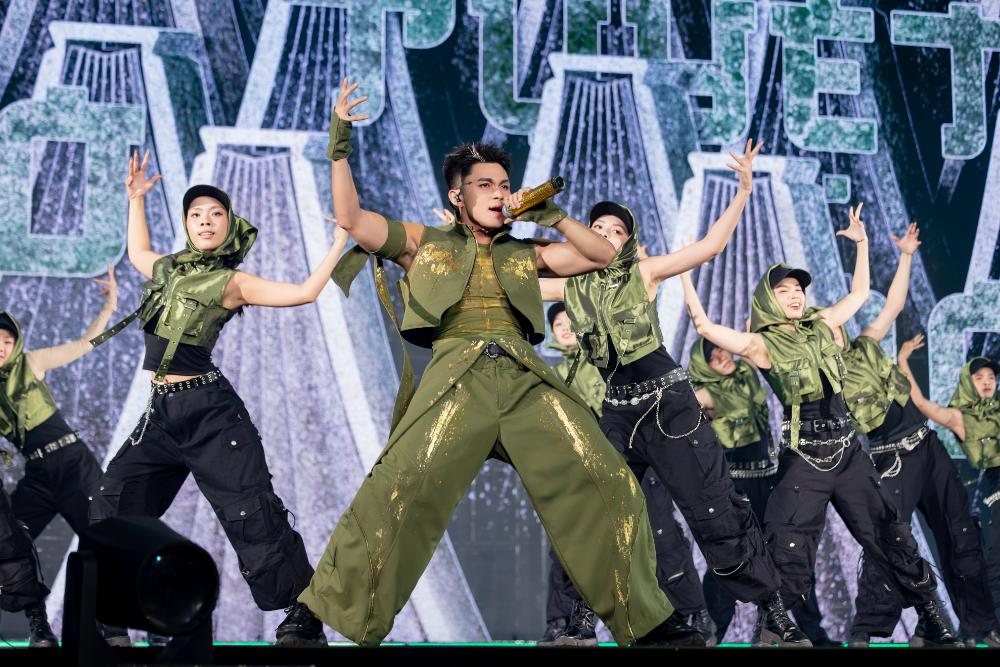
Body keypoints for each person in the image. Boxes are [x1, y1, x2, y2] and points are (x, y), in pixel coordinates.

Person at [300, 78, 702, 647]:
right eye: (484, 185)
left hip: (523, 380)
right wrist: (339, 141)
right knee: (397, 488)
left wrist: (553, 214)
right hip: (454, 380)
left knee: (607, 478)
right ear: (457, 197)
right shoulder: (424, 242)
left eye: (505, 185)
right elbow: (351, 217)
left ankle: (647, 622)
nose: (498, 193)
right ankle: (315, 614)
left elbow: (603, 256)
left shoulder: (526, 252)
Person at [541, 140, 811, 646]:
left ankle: (774, 614)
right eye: (596, 228)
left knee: (715, 513)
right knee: (596, 512)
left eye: (615, 230)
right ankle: (579, 621)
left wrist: (743, 192)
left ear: (628, 243)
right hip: (616, 414)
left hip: (668, 407)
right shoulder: (568, 287)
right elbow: (504, 279)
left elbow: (710, 247)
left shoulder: (643, 272)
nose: (604, 234)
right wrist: (470, 236)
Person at [87, 150, 350, 646]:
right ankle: (115, 617)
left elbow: (304, 292)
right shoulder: (167, 269)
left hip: (211, 415)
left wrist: (339, 241)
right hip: (161, 416)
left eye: (215, 214)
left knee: (253, 515)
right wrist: (136, 199)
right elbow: (138, 251)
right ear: (187, 224)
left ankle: (304, 614)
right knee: (111, 501)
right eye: (196, 214)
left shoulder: (232, 282)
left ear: (228, 225)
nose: (205, 221)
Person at [680, 202, 954, 646]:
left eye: (798, 289)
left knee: (887, 532)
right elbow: (705, 326)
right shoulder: (760, 344)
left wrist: (862, 243)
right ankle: (776, 626)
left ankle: (931, 616)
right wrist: (684, 272)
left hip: (848, 451)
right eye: (784, 290)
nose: (795, 295)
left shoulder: (823, 324)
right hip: (805, 456)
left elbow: (860, 294)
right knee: (788, 543)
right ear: (768, 300)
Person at [540, 304, 715, 646]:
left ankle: (692, 614)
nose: (564, 327)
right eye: (557, 323)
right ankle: (564, 622)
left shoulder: (609, 360)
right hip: (585, 472)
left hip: (635, 459)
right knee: (572, 544)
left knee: (661, 535)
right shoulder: (553, 376)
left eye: (569, 321)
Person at [688, 336, 835, 645]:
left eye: (724, 351)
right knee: (732, 559)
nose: (723, 357)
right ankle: (709, 635)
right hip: (735, 487)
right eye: (714, 356)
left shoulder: (746, 375)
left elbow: (755, 352)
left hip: (768, 480)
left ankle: (806, 632)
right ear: (703, 365)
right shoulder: (702, 392)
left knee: (790, 551)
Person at [0, 278, 117, 646]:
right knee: (8, 544)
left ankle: (118, 629)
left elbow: (84, 344)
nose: (1, 347)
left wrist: (109, 306)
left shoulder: (31, 362)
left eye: (7, 341)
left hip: (74, 464)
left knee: (106, 541)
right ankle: (40, 627)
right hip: (38, 475)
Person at [893, 337, 1000, 645]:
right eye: (979, 378)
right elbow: (921, 403)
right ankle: (979, 627)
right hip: (991, 491)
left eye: (991, 377)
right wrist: (903, 361)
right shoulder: (960, 416)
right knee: (988, 564)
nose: (986, 382)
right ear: (968, 382)